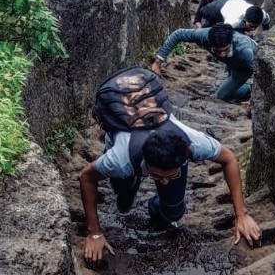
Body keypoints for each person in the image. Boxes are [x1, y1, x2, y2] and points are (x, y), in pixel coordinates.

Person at [79, 106, 262, 262]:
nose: (165, 180)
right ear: (146, 163)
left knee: (174, 213)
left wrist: (241, 215)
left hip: (153, 156)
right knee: (123, 200)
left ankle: (154, 205)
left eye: (170, 174)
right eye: (158, 176)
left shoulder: (193, 144)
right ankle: (131, 181)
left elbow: (229, 158)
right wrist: (94, 232)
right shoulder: (120, 159)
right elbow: (87, 177)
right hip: (126, 148)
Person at [151, 23, 256, 103]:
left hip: (244, 67)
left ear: (231, 42)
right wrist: (158, 62)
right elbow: (178, 34)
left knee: (221, 96)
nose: (221, 54)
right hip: (231, 62)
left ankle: (248, 89)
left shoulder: (245, 51)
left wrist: (255, 99)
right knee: (228, 78)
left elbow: (260, 73)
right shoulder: (203, 36)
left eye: (225, 50)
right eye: (217, 51)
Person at [198, 0, 271, 33]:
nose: (253, 29)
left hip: (233, 0)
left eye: (255, 27)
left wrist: (265, 36)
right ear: (244, 19)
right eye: (251, 26)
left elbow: (266, 23)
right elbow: (224, 33)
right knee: (204, 14)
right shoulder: (233, 21)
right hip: (218, 9)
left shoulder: (263, 16)